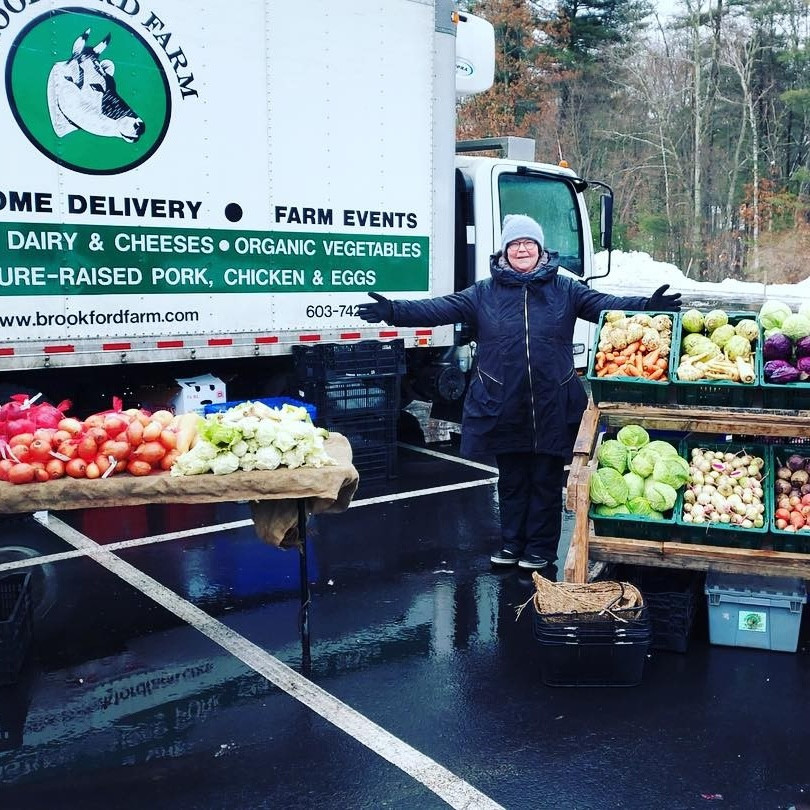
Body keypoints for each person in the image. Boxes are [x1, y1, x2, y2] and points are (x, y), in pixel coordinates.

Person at [357, 214, 680, 570]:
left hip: (552, 401)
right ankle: (512, 544)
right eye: (515, 244)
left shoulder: (565, 289)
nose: (522, 248)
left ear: (540, 249)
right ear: (504, 251)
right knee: (511, 479)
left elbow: (604, 304)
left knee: (544, 480)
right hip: (503, 401)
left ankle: (540, 549)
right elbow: (439, 308)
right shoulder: (483, 293)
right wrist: (393, 311)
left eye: (529, 243)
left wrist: (646, 307)